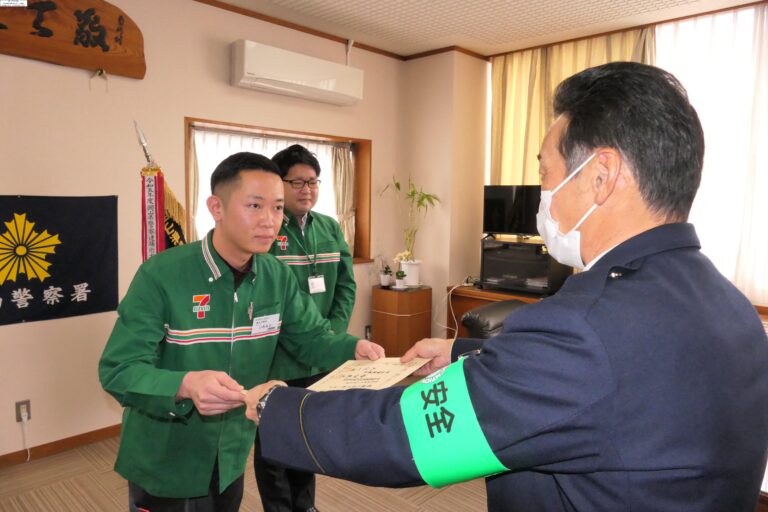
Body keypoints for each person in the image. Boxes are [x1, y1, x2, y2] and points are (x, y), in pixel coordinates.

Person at [243, 62, 768, 512]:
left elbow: (410, 437)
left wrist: (280, 408)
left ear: (602, 175)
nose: (544, 196)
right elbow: (620, 375)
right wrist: (460, 351)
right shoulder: (729, 305)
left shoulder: (583, 326)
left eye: (546, 174)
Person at [98, 152, 384, 512]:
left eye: (278, 208)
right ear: (216, 207)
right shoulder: (161, 275)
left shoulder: (275, 276)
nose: (270, 221)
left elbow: (312, 339)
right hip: (165, 458)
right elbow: (119, 369)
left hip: (232, 453)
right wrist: (184, 385)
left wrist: (355, 348)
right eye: (254, 205)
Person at [253, 144, 356, 512]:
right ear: (279, 185)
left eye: (312, 182)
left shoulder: (328, 227)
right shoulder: (265, 229)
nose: (306, 190)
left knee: (307, 432)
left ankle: (305, 505)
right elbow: (260, 295)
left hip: (319, 353)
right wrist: (300, 338)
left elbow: (346, 284)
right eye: (297, 182)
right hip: (277, 356)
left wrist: (331, 332)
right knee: (273, 436)